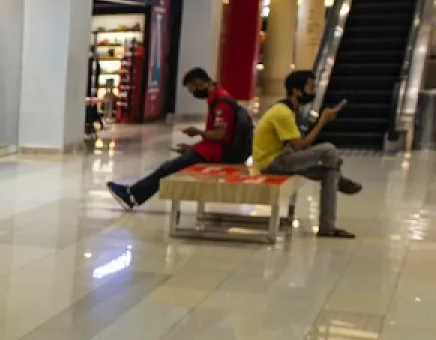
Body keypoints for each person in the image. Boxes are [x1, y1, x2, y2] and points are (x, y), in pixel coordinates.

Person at [107, 67, 241, 209]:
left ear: (199, 83)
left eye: (191, 89)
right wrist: (192, 148)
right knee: (167, 167)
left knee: (167, 169)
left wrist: (197, 132)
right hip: (209, 150)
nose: (193, 93)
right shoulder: (216, 98)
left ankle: (132, 196)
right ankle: (132, 193)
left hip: (216, 153)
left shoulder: (221, 102)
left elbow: (220, 134)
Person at [255, 69, 360, 239]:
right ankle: (341, 180)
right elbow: (300, 147)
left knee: (329, 173)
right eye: (310, 88)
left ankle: (327, 227)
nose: (313, 92)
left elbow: (298, 143)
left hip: (284, 158)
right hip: (272, 163)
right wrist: (322, 121)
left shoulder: (290, 110)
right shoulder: (282, 113)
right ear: (297, 91)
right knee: (328, 149)